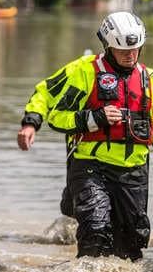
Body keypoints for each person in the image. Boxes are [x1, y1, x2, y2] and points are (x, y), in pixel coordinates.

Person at [46, 11, 153, 260]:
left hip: (133, 170)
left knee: (132, 242)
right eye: (122, 50)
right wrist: (94, 118)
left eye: (135, 49)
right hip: (90, 167)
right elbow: (57, 117)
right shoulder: (86, 73)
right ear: (107, 46)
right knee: (96, 228)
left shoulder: (152, 81)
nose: (130, 55)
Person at [17, 51, 96, 217]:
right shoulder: (81, 67)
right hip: (82, 156)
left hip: (127, 169)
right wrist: (31, 122)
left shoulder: (144, 76)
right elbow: (46, 92)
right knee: (77, 213)